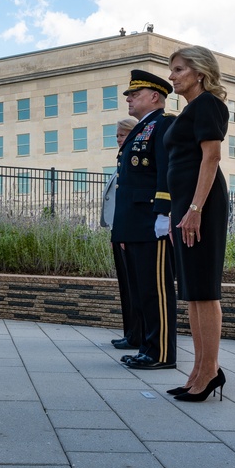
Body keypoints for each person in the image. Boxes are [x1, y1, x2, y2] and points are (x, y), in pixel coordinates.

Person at [164, 46, 229, 402]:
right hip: (186, 207)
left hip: (203, 206)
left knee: (204, 288)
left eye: (177, 69)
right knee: (191, 291)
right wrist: (179, 211)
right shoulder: (188, 111)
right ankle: (198, 369)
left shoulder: (209, 106)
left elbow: (212, 157)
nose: (171, 76)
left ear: (199, 72)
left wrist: (195, 209)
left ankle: (210, 371)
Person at [111, 70, 177, 370]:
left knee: (155, 290)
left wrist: (164, 213)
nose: (128, 98)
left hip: (151, 220)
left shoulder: (163, 124)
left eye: (134, 94)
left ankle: (161, 352)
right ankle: (149, 348)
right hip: (135, 222)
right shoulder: (141, 129)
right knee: (142, 290)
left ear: (154, 97)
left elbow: (166, 172)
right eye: (128, 94)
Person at [102, 118, 142, 352]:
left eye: (122, 135)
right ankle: (130, 333)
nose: (118, 139)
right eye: (116, 136)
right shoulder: (121, 160)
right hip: (120, 231)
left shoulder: (132, 160)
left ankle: (136, 335)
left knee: (134, 287)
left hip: (130, 231)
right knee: (126, 288)